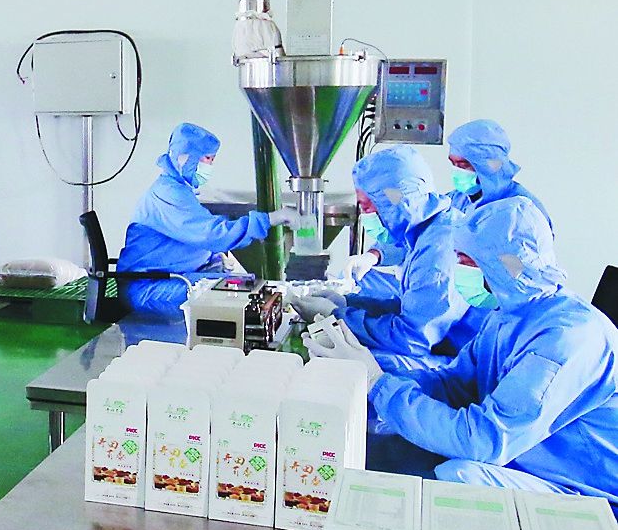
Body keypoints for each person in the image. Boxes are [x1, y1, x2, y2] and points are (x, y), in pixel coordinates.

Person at [310, 197, 618, 502]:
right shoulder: (510, 315)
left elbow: (483, 441)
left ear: (507, 265)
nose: (458, 270)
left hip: (580, 489)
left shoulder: (566, 340)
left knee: (458, 476)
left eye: (466, 262)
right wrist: (366, 374)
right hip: (518, 455)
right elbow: (454, 385)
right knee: (383, 443)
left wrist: (379, 385)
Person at [291, 146, 468, 361]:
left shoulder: (438, 253)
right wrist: (348, 303)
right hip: (439, 342)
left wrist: (337, 317)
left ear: (397, 202)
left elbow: (411, 338)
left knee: (356, 361)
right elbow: (408, 309)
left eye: (367, 206)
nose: (366, 215)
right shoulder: (430, 230)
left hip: (452, 357)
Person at [119, 123, 292, 315]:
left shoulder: (180, 189)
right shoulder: (168, 194)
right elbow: (211, 235)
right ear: (186, 158)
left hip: (174, 278)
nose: (209, 166)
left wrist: (215, 260)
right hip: (148, 289)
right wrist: (269, 219)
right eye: (207, 159)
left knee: (241, 287)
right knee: (230, 297)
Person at [448, 119, 549, 224]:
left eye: (464, 165)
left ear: (488, 166)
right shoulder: (455, 200)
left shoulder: (523, 210)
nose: (457, 171)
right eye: (453, 164)